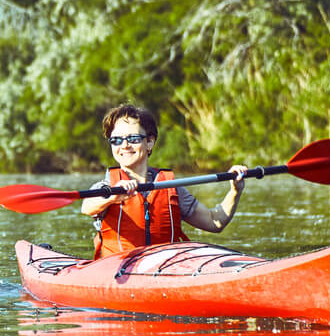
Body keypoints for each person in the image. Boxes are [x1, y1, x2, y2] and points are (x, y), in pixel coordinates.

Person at [82, 104, 247, 258]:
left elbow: (214, 222)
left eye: (133, 138)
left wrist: (234, 191)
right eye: (116, 140)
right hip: (118, 270)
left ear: (150, 142)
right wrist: (112, 197)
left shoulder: (170, 188)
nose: (124, 145)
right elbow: (87, 207)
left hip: (164, 267)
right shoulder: (106, 187)